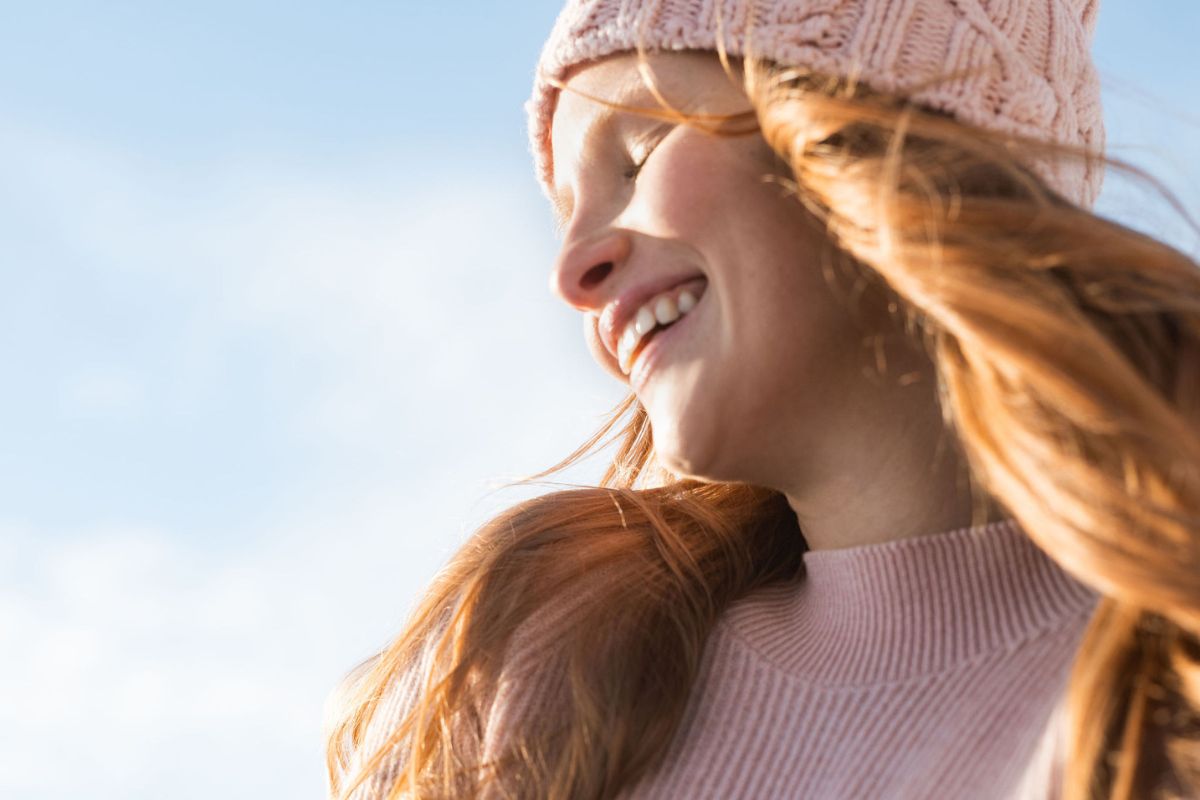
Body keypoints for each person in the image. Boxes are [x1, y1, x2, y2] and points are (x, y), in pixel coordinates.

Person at [325, 1, 1200, 798]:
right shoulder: (564, 680)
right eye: (565, 216)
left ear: (891, 135)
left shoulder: (1164, 673)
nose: (571, 275)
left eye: (637, 158)